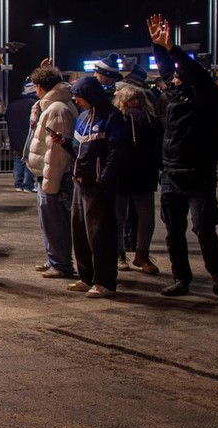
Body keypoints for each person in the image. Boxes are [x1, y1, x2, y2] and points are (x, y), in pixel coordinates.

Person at [148, 14, 218, 297]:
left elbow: (195, 74)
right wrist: (158, 47)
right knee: (174, 232)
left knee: (204, 229)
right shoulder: (176, 97)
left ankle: (217, 276)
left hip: (199, 175)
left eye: (179, 74)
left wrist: (172, 48)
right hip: (172, 173)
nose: (174, 77)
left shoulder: (204, 98)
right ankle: (181, 278)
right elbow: (165, 70)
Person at [68, 76, 131, 298]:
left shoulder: (113, 118)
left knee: (101, 235)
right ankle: (86, 276)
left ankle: (105, 281)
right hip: (80, 182)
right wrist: (65, 144)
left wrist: (105, 181)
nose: (77, 101)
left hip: (98, 186)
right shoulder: (83, 118)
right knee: (80, 233)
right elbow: (79, 150)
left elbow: (116, 153)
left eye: (79, 97)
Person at [25, 65, 77, 279]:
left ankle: (61, 263)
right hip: (45, 174)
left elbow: (56, 152)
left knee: (55, 221)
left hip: (53, 176)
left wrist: (50, 182)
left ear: (39, 87)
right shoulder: (50, 105)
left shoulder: (57, 109)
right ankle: (54, 258)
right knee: (49, 221)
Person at [113, 82, 162, 276]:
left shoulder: (151, 121)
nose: (135, 102)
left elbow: (158, 145)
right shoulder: (118, 119)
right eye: (131, 99)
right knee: (118, 217)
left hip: (144, 174)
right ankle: (119, 254)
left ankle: (142, 254)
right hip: (121, 174)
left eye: (138, 99)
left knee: (146, 218)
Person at [7, 80, 40, 193]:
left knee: (17, 159)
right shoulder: (35, 104)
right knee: (29, 160)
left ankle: (18, 183)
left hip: (15, 136)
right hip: (29, 136)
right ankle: (28, 185)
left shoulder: (13, 104)